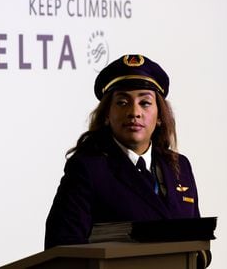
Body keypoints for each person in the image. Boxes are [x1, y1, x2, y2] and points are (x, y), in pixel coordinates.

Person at [44, 54, 211, 268]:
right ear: (106, 115)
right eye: (122, 102)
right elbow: (62, 248)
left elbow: (198, 241)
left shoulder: (180, 166)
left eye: (145, 103)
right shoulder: (88, 168)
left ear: (160, 116)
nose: (134, 112)